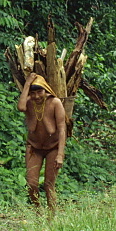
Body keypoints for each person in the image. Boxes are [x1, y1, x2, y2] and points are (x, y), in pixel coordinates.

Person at [17, 73, 67, 214]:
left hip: (53, 147)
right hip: (34, 147)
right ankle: (38, 212)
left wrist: (60, 154)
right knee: (31, 183)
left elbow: (62, 129)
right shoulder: (28, 102)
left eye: (39, 92)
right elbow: (20, 107)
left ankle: (52, 217)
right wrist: (27, 84)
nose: (37, 96)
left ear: (46, 90)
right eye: (33, 93)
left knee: (49, 185)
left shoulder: (55, 102)